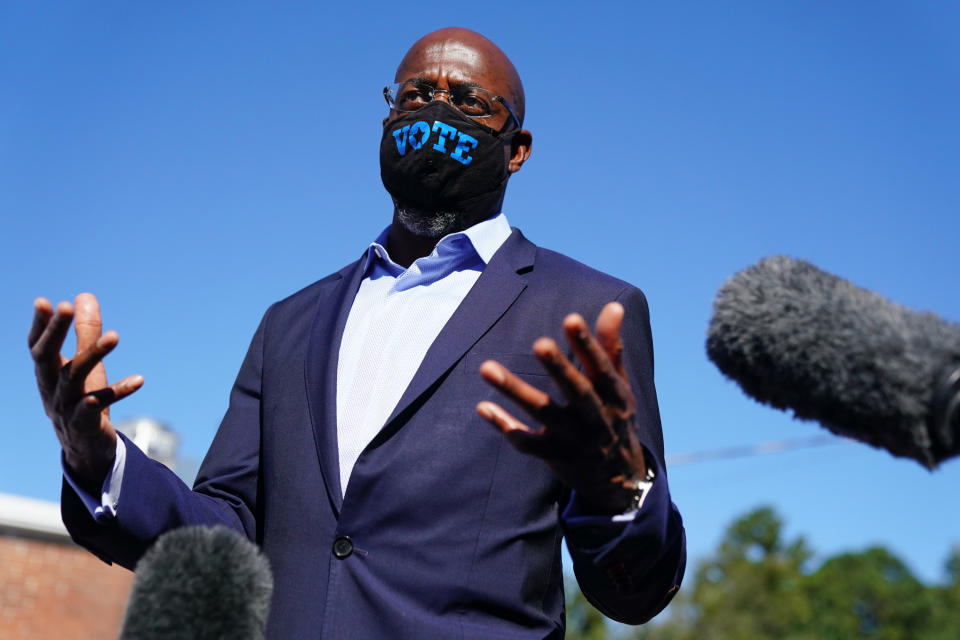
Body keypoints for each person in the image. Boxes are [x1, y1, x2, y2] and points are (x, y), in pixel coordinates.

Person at [29, 27, 685, 639]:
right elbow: (225, 535)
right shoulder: (290, 323)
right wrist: (98, 459)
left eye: (467, 100)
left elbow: (634, 593)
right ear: (386, 119)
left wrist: (621, 488)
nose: (436, 108)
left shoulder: (587, 308)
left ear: (516, 151)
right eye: (416, 95)